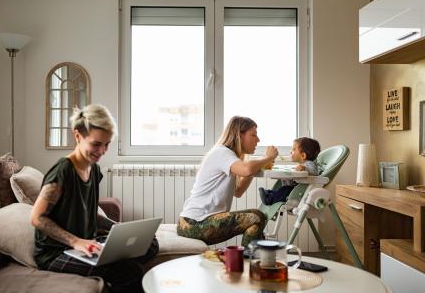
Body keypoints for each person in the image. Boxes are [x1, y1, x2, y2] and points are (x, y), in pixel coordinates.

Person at [31, 104, 158, 293]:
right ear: (77, 136)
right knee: (129, 271)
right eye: (96, 144)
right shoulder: (62, 171)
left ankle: (112, 264)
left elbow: (88, 213)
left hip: (87, 241)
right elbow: (37, 217)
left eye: (107, 144)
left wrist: (117, 229)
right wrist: (76, 242)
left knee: (151, 243)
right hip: (56, 253)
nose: (102, 151)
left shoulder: (94, 169)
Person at [176, 116, 278, 248]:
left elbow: (238, 191)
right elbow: (246, 169)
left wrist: (257, 166)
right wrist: (268, 157)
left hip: (196, 221)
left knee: (257, 216)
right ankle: (250, 261)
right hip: (194, 223)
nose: (258, 140)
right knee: (257, 217)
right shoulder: (222, 153)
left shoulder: (228, 156)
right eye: (253, 135)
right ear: (239, 135)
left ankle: (256, 258)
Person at [259, 137, 321, 206]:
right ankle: (270, 193)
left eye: (294, 149)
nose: (290, 152)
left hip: (301, 194)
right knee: (284, 189)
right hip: (298, 190)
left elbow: (314, 172)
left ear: (303, 155)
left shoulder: (310, 164)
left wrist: (305, 169)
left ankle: (269, 199)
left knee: (286, 190)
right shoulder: (302, 165)